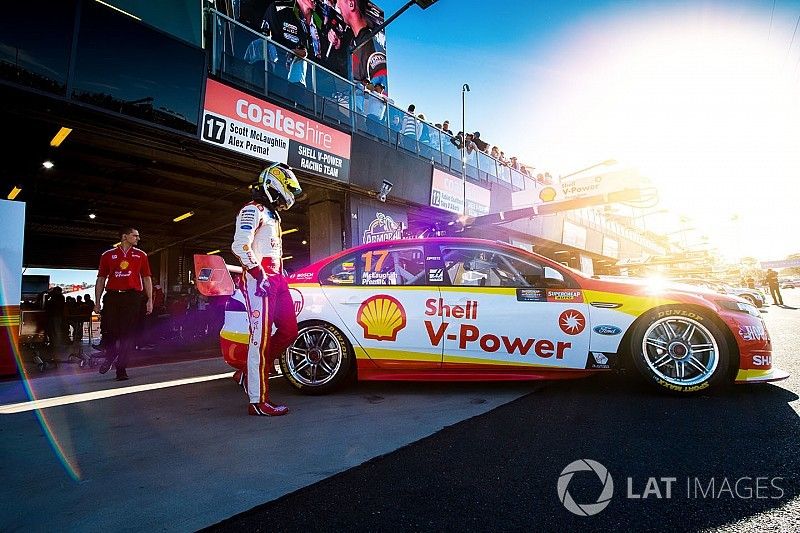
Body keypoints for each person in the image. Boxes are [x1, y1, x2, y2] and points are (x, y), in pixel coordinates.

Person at [231, 163, 302, 416]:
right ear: (274, 185)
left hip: (277, 280)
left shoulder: (272, 214)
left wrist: (278, 275)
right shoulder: (252, 210)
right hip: (259, 280)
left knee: (289, 331)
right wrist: (258, 273)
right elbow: (240, 246)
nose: (289, 196)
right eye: (288, 189)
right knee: (259, 341)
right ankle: (257, 402)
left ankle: (248, 372)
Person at [94, 227, 153, 381]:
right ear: (125, 236)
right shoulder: (107, 255)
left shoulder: (141, 255)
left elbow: (146, 278)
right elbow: (101, 279)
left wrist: (150, 300)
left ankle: (121, 368)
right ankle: (110, 354)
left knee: (128, 335)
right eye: (135, 236)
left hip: (132, 298)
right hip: (112, 296)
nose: (138, 238)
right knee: (109, 330)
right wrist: (97, 302)